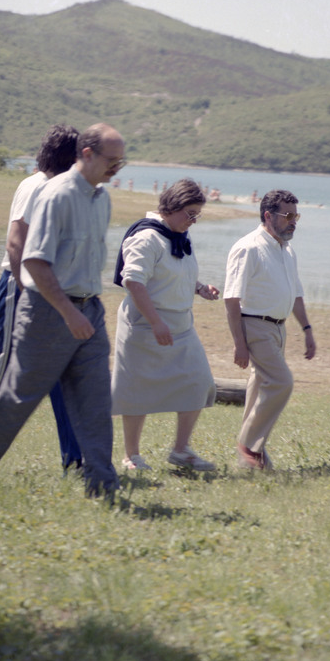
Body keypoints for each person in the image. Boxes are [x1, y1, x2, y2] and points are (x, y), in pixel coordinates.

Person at [0, 123, 126, 497]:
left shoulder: (102, 199)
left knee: (96, 401)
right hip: (48, 311)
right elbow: (34, 260)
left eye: (121, 161)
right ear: (87, 154)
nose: (117, 167)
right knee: (19, 395)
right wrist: (68, 312)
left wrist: (85, 311)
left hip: (90, 310)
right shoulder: (56, 194)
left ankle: (102, 484)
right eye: (112, 160)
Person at [0, 125, 82, 470]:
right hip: (22, 287)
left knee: (62, 372)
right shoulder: (36, 185)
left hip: (50, 290)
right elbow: (16, 244)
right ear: (70, 157)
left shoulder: (57, 188)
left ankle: (75, 459)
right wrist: (30, 294)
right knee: (9, 367)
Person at [112, 179, 218, 472]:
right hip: (145, 324)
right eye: (190, 213)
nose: (193, 221)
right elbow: (133, 281)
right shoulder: (147, 237)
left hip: (181, 325)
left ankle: (181, 451)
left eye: (197, 215)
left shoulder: (179, 235)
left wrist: (199, 288)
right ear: (171, 207)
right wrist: (156, 322)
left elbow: (174, 275)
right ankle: (131, 456)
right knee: (137, 390)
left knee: (199, 382)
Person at [224, 189, 316, 470]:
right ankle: (249, 446)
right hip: (255, 327)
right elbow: (231, 298)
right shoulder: (248, 248)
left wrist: (307, 329)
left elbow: (296, 294)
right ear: (268, 215)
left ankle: (251, 456)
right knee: (281, 382)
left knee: (259, 388)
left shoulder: (287, 251)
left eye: (296, 216)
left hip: (278, 329)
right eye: (288, 215)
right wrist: (239, 344)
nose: (293, 221)